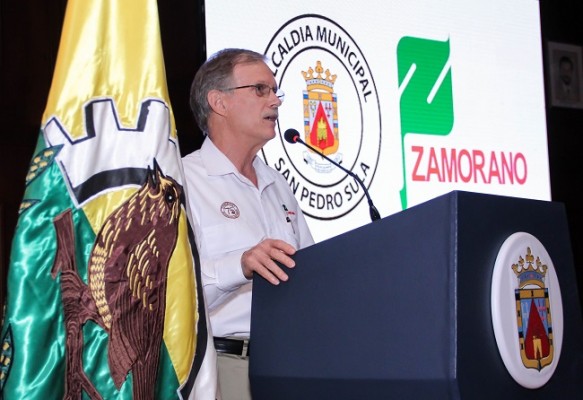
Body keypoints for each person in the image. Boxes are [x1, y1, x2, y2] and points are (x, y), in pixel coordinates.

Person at [182, 48, 315, 400]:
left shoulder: (277, 184)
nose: (275, 101)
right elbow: (170, 294)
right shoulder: (183, 182)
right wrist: (239, 265)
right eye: (260, 89)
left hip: (289, 364)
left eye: (275, 90)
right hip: (220, 367)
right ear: (219, 102)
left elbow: (311, 274)